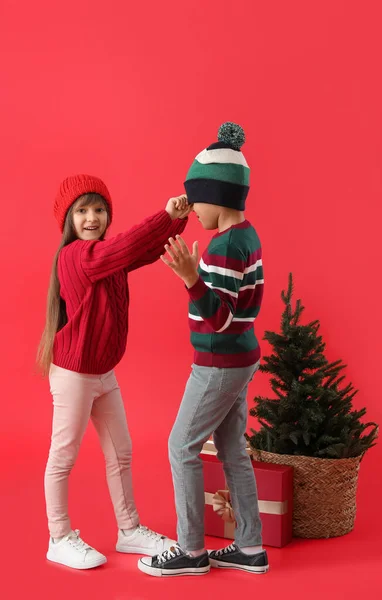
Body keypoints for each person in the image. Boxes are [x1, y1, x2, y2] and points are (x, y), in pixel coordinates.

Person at [38, 174, 190, 570]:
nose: (92, 218)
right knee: (62, 457)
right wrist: (165, 214)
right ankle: (59, 537)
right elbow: (129, 245)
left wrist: (177, 220)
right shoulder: (76, 257)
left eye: (100, 210)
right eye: (83, 211)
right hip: (74, 374)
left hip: (103, 372)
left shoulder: (108, 254)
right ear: (68, 220)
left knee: (121, 453)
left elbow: (143, 249)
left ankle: (128, 530)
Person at [138, 123, 269, 577]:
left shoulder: (223, 248)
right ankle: (251, 546)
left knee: (181, 446)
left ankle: (191, 550)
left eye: (196, 199)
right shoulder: (245, 235)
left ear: (219, 194)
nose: (192, 209)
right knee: (233, 449)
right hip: (240, 358)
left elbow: (222, 317)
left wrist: (191, 277)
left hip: (219, 361)